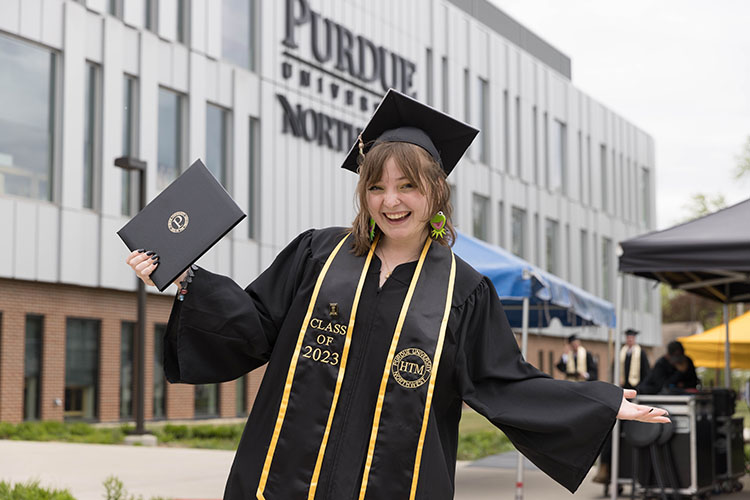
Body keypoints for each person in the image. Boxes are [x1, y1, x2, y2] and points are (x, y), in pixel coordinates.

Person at [126, 89, 668, 499]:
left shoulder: (464, 290)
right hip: (283, 478)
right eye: (377, 186)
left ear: (436, 191)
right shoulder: (319, 254)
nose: (391, 201)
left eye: (407, 185)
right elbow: (254, 325)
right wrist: (185, 280)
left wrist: (599, 401)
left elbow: (502, 382)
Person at [592, 328, 652, 484]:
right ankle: (606, 470)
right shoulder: (621, 353)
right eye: (628, 337)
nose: (630, 340)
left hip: (637, 396)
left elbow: (647, 375)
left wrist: (640, 391)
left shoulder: (641, 354)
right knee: (612, 433)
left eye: (632, 337)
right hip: (621, 395)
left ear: (635, 339)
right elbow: (613, 372)